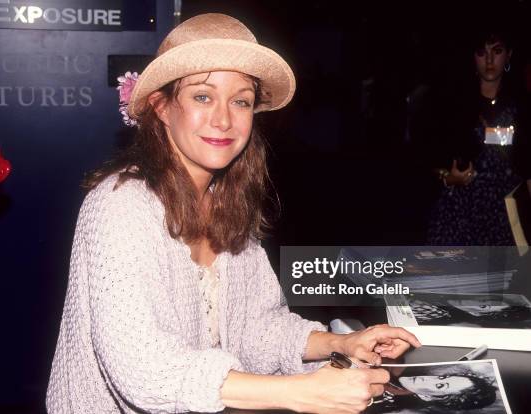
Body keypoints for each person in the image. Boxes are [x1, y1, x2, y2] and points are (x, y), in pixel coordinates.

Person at [46, 13, 421, 414]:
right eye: (203, 96)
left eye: (240, 100)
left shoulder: (229, 202)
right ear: (162, 107)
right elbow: (144, 369)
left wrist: (340, 343)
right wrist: (302, 392)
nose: (224, 119)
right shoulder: (121, 204)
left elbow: (259, 327)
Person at [425, 25, 531, 245]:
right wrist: (449, 178)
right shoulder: (452, 104)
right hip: (459, 213)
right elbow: (429, 157)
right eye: (482, 53)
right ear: (473, 57)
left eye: (497, 51)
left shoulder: (522, 107)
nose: (490, 60)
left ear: (509, 54)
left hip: (506, 216)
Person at [368, 373, 497, 412]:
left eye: (440, 385)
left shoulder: (380, 405)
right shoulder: (395, 371)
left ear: (427, 397)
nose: (428, 378)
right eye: (442, 377)